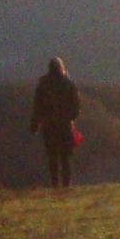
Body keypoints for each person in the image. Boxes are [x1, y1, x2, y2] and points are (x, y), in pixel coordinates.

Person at [29, 55, 81, 189]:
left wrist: (35, 124)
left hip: (49, 126)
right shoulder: (68, 83)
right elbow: (76, 105)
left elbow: (38, 106)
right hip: (65, 126)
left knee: (53, 157)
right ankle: (66, 185)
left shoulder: (43, 85)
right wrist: (71, 118)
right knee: (66, 157)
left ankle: (55, 185)